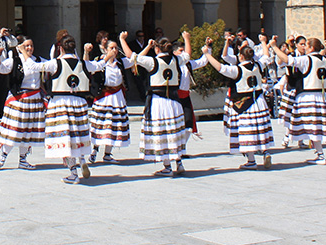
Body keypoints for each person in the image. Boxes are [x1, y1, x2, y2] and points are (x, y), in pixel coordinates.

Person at [35, 34, 103, 184]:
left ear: (60, 48)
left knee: (64, 137)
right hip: (79, 103)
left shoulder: (55, 64)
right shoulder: (84, 64)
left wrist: (24, 53)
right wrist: (109, 55)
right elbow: (100, 65)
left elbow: (32, 66)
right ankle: (82, 158)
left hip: (60, 103)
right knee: (77, 134)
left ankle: (73, 172)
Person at [121, 32, 188, 177]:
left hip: (158, 102)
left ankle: (167, 166)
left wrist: (122, 40)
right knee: (174, 131)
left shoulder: (153, 62)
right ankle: (179, 162)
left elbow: (131, 56)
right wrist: (187, 39)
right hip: (174, 102)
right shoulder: (177, 60)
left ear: (157, 49)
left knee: (162, 132)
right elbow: (187, 54)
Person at [203, 37, 274, 169]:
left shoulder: (237, 70)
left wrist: (207, 54)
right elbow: (266, 56)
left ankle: (251, 160)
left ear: (240, 56)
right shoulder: (258, 65)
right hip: (259, 101)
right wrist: (264, 42)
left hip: (244, 105)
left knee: (247, 131)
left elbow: (220, 67)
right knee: (260, 128)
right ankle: (266, 152)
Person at [270, 36, 326, 164]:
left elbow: (287, 60)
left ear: (311, 47)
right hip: (323, 96)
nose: (304, 48)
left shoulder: (306, 59)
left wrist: (274, 47)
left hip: (309, 96)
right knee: (324, 125)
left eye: (306, 45)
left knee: (313, 127)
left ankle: (320, 155)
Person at [0, 37, 45, 170]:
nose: (29, 48)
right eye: (26, 46)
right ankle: (2, 157)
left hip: (34, 100)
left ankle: (23, 160)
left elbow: (52, 65)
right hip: (19, 100)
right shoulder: (15, 60)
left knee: (27, 132)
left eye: (31, 46)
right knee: (14, 130)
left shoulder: (38, 60)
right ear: (21, 47)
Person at [84, 38, 132, 164]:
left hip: (117, 98)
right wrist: (86, 52)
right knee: (101, 125)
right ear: (105, 50)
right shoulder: (100, 63)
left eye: (116, 48)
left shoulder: (120, 63)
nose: (114, 50)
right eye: (112, 48)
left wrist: (123, 40)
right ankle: (94, 151)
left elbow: (134, 59)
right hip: (104, 97)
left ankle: (108, 154)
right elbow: (86, 66)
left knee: (113, 126)